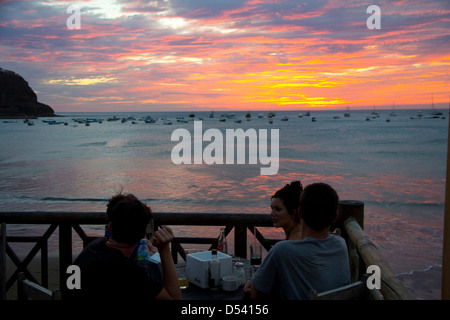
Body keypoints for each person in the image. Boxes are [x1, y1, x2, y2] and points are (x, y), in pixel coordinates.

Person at [64, 193, 181, 300]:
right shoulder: (128, 273)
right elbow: (174, 298)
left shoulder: (94, 246)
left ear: (110, 227)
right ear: (143, 234)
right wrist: (164, 249)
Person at [245, 182, 350, 300]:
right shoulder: (341, 244)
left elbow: (255, 295)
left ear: (299, 213)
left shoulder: (282, 250)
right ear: (335, 217)